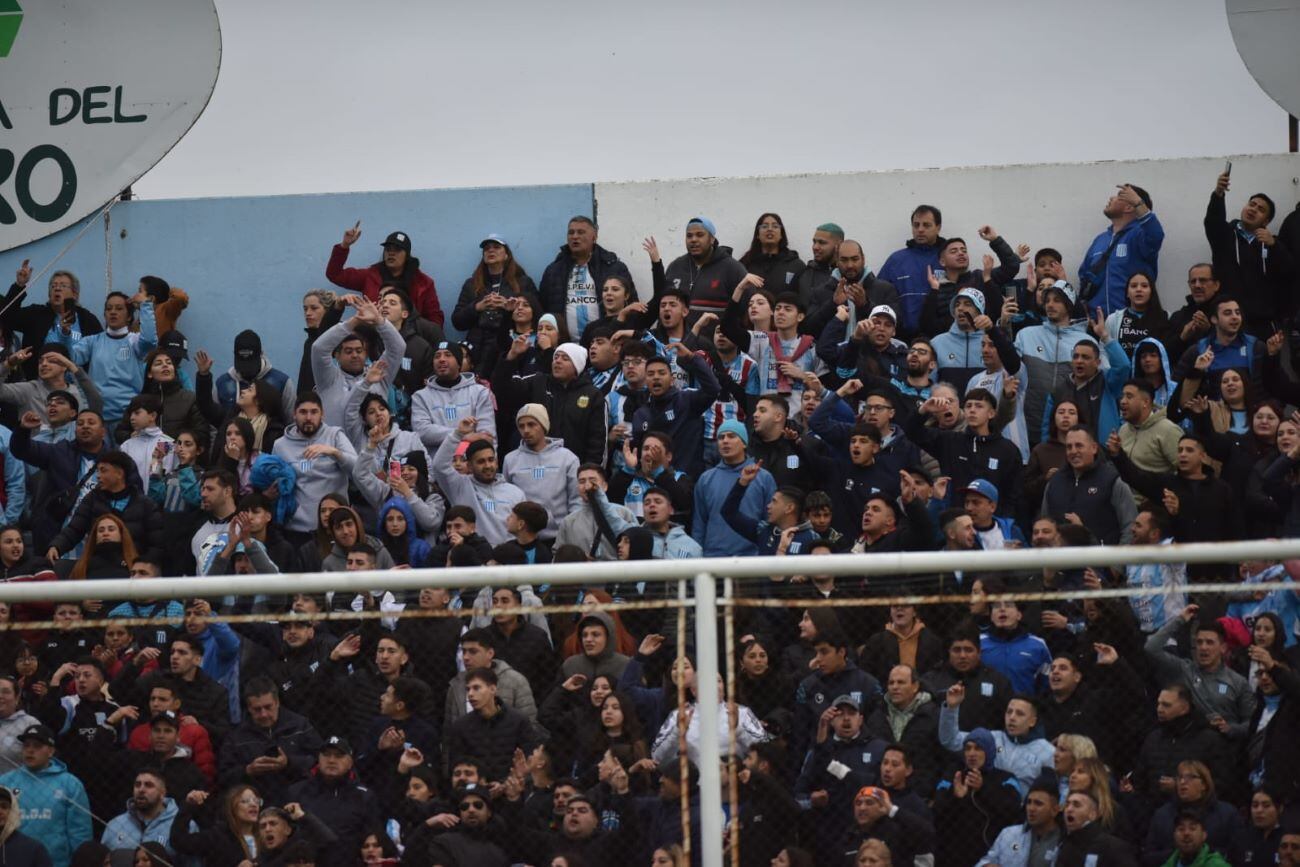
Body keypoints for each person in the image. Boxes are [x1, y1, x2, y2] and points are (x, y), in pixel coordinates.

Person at [1205, 170, 1292, 336]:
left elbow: (1289, 272)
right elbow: (1212, 221)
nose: (1253, 209)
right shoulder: (1225, 234)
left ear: (1266, 221)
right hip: (1230, 319)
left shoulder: (1272, 243)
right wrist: (1218, 194)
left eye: (1260, 209)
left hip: (1264, 322)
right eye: (1252, 204)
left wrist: (1274, 246)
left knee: (1266, 361)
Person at [217, 678, 323, 808]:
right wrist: (248, 771)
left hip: (299, 802)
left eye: (268, 707)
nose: (264, 714)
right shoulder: (236, 737)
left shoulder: (300, 726)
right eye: (257, 709)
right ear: (249, 708)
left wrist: (288, 763)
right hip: (256, 805)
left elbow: (320, 762)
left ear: (277, 702)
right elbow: (224, 777)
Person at [0, 725, 91, 867]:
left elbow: (80, 833)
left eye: (37, 745)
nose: (30, 750)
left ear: (51, 751)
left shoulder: (70, 784)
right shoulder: (6, 782)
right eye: (26, 745)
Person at [271, 393, 357, 542]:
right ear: (294, 415)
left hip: (335, 527)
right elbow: (274, 483)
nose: (309, 417)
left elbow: (357, 470)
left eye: (314, 412)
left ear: (322, 414)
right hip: (297, 530)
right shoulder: (280, 445)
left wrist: (334, 452)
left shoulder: (335, 436)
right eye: (303, 412)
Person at [309, 296, 404, 427]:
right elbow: (318, 348)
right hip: (335, 445)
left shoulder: (377, 374)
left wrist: (379, 321)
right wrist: (354, 321)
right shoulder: (328, 378)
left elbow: (398, 348)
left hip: (374, 444)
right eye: (348, 351)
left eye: (359, 350)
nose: (355, 355)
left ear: (366, 353)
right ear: (336, 355)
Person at [325, 224, 444, 325]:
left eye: (397, 249)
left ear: (407, 255)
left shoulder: (423, 283)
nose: (391, 253)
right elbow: (335, 274)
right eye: (388, 249)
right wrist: (344, 245)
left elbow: (435, 318)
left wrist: (425, 341)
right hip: (374, 336)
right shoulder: (370, 276)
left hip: (411, 339)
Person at [538, 216, 635, 338]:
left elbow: (631, 304)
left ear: (594, 236)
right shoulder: (554, 271)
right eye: (571, 232)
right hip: (566, 348)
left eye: (581, 232)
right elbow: (543, 307)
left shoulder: (613, 267)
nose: (575, 236)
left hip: (605, 342)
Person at [1041, 427, 1138, 545]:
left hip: (1102, 560)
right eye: (1069, 447)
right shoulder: (1054, 483)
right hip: (1060, 561)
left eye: (1079, 446)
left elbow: (1130, 526)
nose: (1073, 451)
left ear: (1094, 448)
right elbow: (1045, 524)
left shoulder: (1113, 481)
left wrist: (1117, 563)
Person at [2, 265, 103, 378]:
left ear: (75, 294)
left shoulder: (87, 320)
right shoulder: (36, 314)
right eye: (53, 286)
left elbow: (101, 354)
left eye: (63, 286)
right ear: (49, 294)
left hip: (77, 389)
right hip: (40, 387)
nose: (57, 288)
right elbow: (5, 317)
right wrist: (19, 285)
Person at [693, 421, 776, 557]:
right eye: (721, 437)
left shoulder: (764, 478)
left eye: (732, 436)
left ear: (744, 443)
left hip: (752, 560)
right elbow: (699, 524)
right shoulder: (705, 479)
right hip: (714, 559)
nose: (725, 441)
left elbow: (770, 521)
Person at [1079, 183, 1164, 316]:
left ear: (1130, 206)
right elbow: (1084, 275)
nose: (1111, 198)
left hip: (1132, 323)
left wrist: (1138, 202)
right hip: (1097, 324)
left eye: (1119, 196)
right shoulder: (1100, 240)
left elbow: (1156, 235)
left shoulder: (1139, 235)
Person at [501, 404, 581, 539]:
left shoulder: (568, 458)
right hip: (523, 538)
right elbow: (506, 500)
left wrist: (571, 533)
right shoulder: (510, 460)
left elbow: (576, 500)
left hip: (559, 536)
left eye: (532, 424)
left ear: (543, 426)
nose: (526, 430)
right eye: (521, 426)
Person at [878, 205, 945, 336]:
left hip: (941, 338)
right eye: (916, 225)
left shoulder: (948, 258)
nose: (920, 230)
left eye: (926, 225)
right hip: (903, 338)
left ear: (938, 227)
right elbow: (879, 296)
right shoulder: (896, 260)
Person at [662, 216, 748, 316]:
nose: (693, 240)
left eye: (700, 235)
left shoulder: (733, 269)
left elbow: (746, 308)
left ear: (712, 239)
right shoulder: (675, 267)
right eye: (689, 236)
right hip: (681, 332)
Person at [101, 769, 180, 867]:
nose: (141, 789)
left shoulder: (180, 825)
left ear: (162, 793)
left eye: (149, 785)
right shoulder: (115, 825)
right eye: (137, 785)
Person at [977, 777, 1063, 867]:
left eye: (1038, 803)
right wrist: (986, 866)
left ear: (1055, 810)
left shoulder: (1063, 842)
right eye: (1029, 802)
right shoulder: (1009, 834)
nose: (1031, 808)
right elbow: (986, 860)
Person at [1116, 379, 1182, 475]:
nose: (1122, 401)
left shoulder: (1168, 430)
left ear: (1146, 402)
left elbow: (1186, 470)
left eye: (1129, 396)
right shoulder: (1123, 430)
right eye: (1122, 396)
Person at [1057, 791, 1138, 867]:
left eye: (1077, 805)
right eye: (1067, 805)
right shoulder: (1064, 845)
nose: (1069, 809)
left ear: (1093, 814)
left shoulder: (1113, 847)